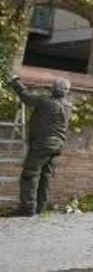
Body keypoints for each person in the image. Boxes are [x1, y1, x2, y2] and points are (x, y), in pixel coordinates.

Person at [8, 76, 72, 217]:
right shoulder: (68, 106)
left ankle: (27, 208)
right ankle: (40, 207)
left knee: (30, 174)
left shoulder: (46, 101)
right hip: (57, 145)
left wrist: (15, 81)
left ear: (53, 88)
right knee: (45, 176)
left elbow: (26, 97)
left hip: (43, 144)